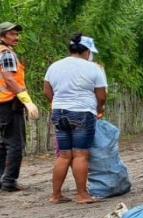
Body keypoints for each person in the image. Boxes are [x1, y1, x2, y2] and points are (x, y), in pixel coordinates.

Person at [43, 34, 107, 204]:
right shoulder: (93, 68)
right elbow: (101, 96)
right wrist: (99, 109)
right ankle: (82, 194)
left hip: (59, 113)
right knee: (80, 154)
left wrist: (58, 103)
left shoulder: (54, 66)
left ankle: (56, 195)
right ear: (86, 51)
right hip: (82, 113)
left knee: (64, 155)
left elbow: (47, 90)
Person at [0, 21, 39, 192]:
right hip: (9, 104)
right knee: (15, 144)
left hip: (1, 105)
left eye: (17, 34)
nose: (17, 37)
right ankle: (9, 181)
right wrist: (27, 101)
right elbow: (10, 79)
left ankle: (2, 179)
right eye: (12, 34)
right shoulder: (6, 54)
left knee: (2, 144)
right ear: (2, 36)